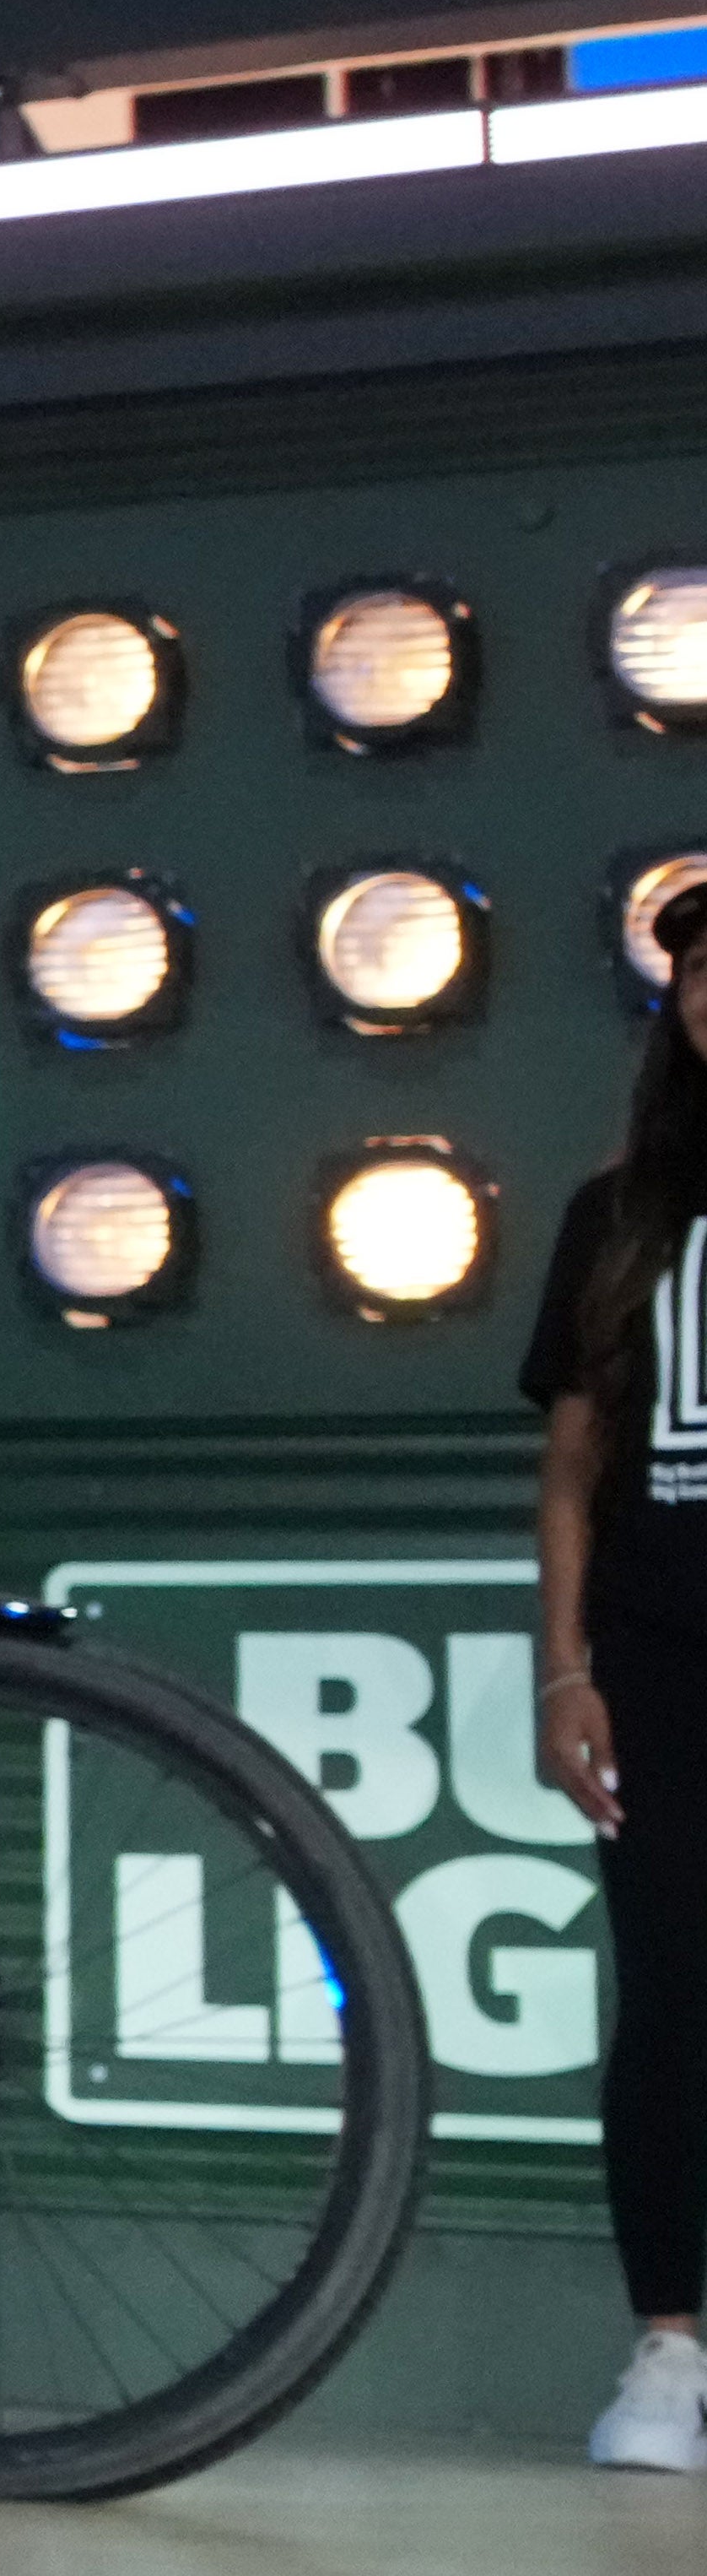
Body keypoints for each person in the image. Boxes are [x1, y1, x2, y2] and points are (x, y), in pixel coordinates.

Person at [531, 882, 707, 2473]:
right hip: (657, 1657)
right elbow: (574, 1466)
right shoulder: (620, 1211)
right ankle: (668, 2350)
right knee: (668, 2001)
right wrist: (562, 1673)